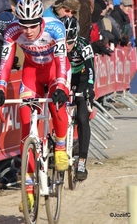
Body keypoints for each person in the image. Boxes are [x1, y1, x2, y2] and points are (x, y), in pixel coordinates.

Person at [0, 0, 70, 210]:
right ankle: (28, 191)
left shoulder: (55, 28)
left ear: (40, 20)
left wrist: (62, 87)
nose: (28, 31)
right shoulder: (12, 31)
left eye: (33, 25)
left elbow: (62, 60)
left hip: (55, 70)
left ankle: (61, 146)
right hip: (32, 72)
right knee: (26, 126)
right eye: (24, 25)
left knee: (56, 105)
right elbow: (5, 63)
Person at [61, 15, 95, 181]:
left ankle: (82, 161)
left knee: (82, 118)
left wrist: (90, 87)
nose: (67, 46)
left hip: (81, 80)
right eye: (64, 42)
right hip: (64, 79)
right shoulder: (56, 45)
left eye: (70, 42)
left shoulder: (83, 44)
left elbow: (90, 69)